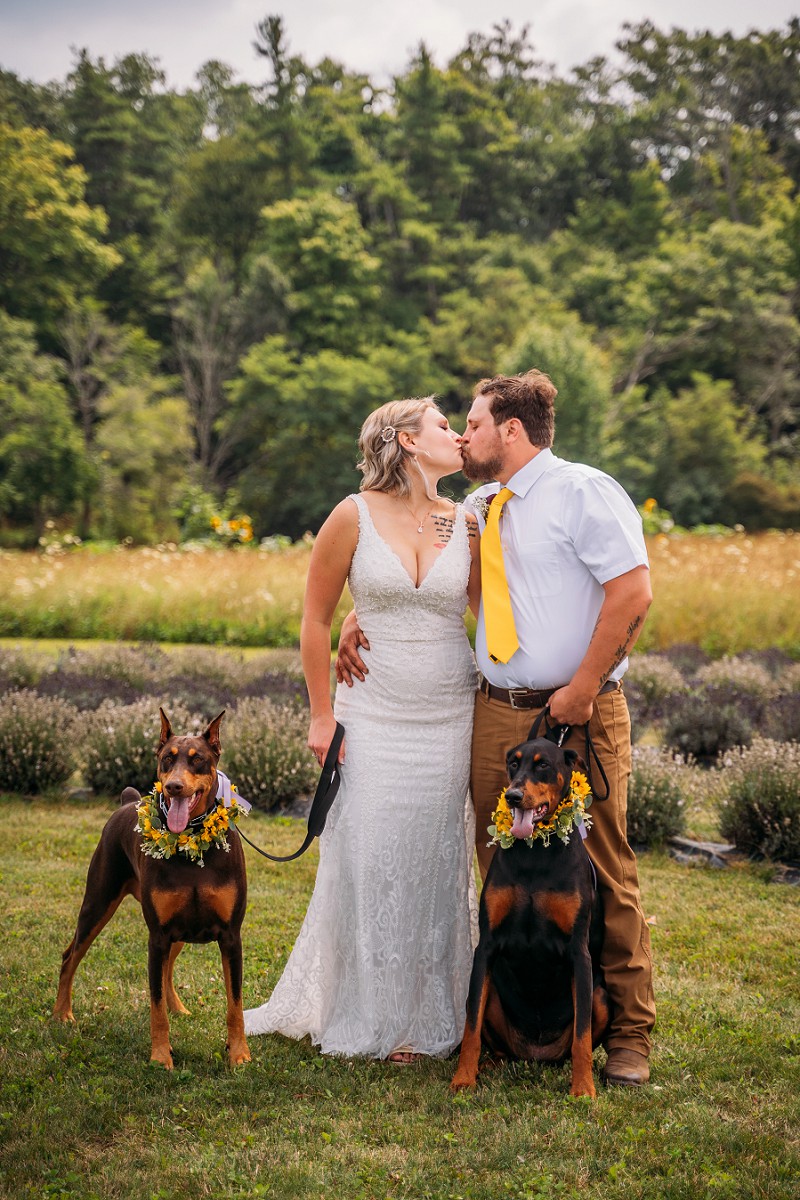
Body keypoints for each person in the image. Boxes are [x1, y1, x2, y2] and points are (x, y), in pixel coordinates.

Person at [338, 369, 656, 1087]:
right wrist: (364, 616)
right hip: (496, 713)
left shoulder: (585, 492)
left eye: (472, 424)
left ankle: (628, 1034)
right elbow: (420, 571)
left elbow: (633, 590)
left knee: (602, 865)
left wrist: (579, 690)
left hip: (580, 711)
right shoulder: (480, 505)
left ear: (510, 431)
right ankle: (516, 1020)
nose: (462, 435)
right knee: (503, 868)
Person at [244, 396, 480, 1063]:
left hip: (447, 714)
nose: (457, 434)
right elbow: (315, 620)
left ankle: (426, 1017)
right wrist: (322, 714)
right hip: (370, 712)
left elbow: (489, 615)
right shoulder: (351, 515)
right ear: (408, 440)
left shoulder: (458, 521)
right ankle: (366, 1008)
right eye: (442, 425)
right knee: (368, 852)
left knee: (435, 858)